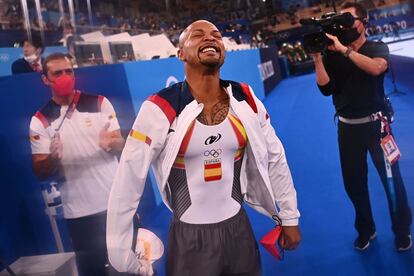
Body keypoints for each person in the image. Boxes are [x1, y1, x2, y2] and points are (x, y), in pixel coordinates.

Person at [107, 20, 301, 275]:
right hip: (189, 240)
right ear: (180, 53)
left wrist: (289, 216)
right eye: (198, 35)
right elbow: (128, 181)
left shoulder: (245, 97)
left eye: (216, 35)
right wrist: (121, 254)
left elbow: (275, 158)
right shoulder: (159, 108)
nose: (209, 38)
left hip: (239, 230)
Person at [311, 2, 412, 251]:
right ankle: (366, 229)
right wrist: (317, 58)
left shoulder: (376, 46)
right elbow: (325, 89)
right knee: (354, 184)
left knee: (392, 181)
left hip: (378, 127)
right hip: (347, 129)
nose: (344, 24)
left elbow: (377, 68)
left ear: (363, 22)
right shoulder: (332, 54)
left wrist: (345, 51)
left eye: (348, 18)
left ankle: (402, 231)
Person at [29, 53, 125, 275]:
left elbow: (121, 143)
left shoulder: (100, 103)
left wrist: (113, 142)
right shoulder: (40, 120)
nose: (65, 77)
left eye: (68, 71)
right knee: (93, 271)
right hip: (80, 213)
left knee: (131, 266)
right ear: (46, 79)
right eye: (57, 73)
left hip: (116, 203)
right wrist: (53, 158)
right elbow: (40, 170)